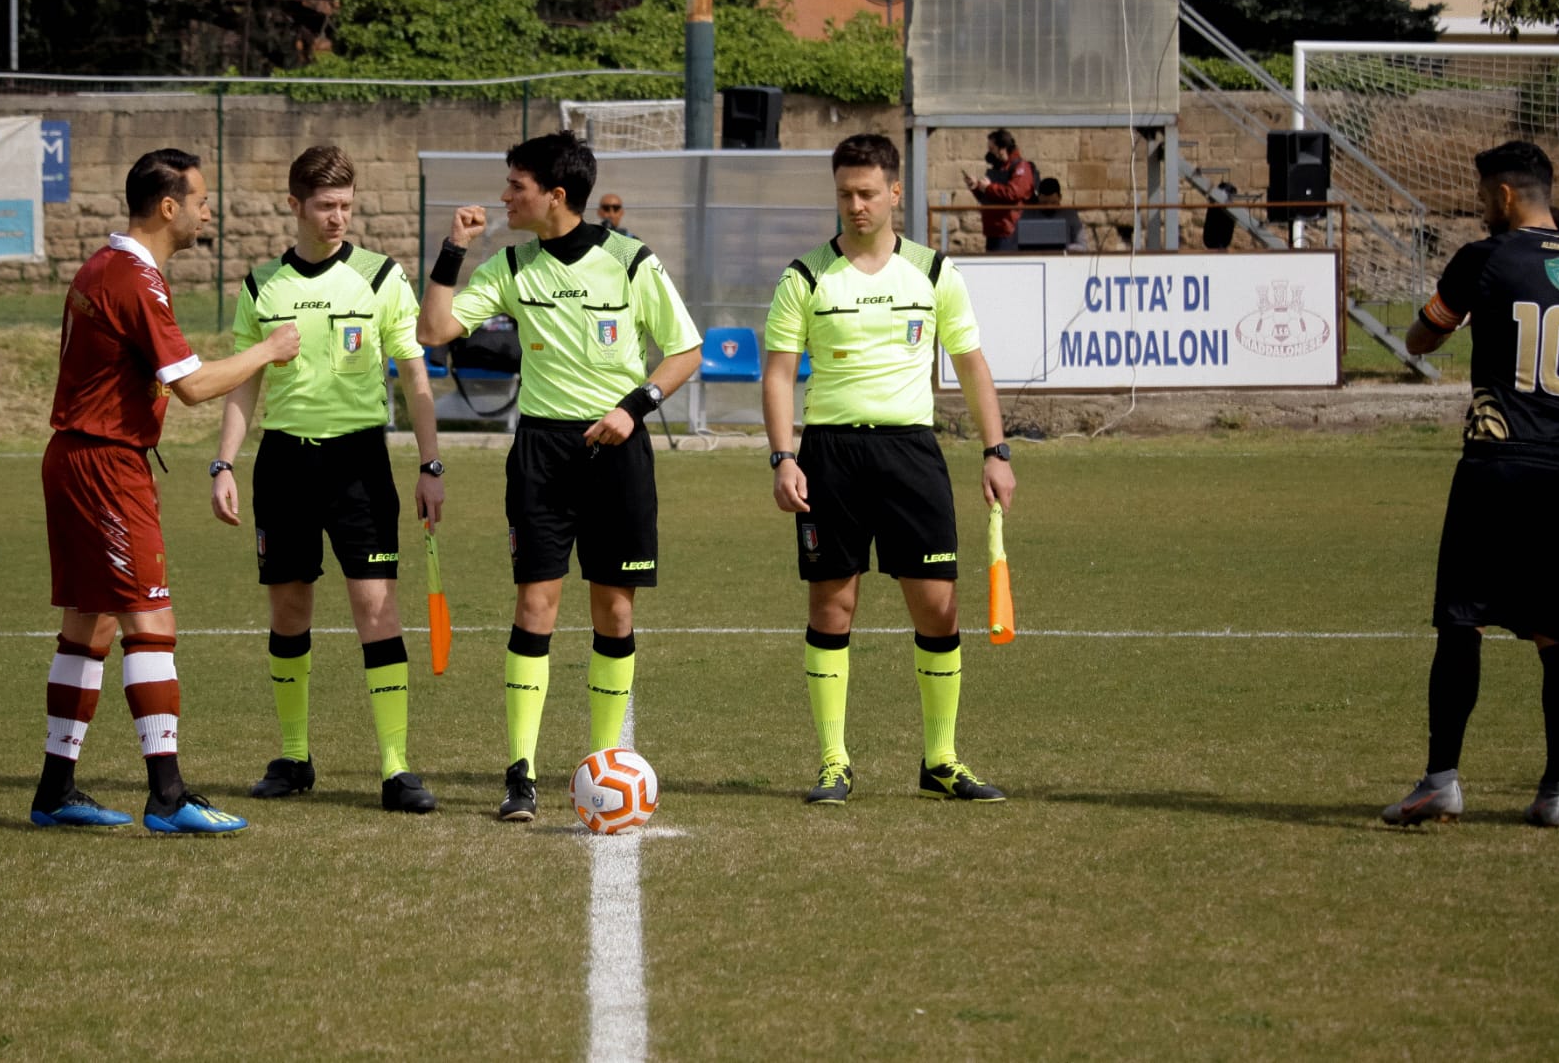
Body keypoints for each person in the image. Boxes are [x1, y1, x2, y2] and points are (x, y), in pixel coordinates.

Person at [417, 131, 702, 821]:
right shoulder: (512, 265)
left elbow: (685, 349)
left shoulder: (631, 260)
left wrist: (634, 408)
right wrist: (452, 249)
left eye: (516, 185)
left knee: (616, 609)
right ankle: (522, 772)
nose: (505, 196)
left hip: (619, 451)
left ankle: (607, 764)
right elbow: (435, 330)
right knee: (535, 607)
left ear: (556, 194)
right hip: (543, 452)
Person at [31, 147, 298, 835]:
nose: (211, 209)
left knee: (86, 625)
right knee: (151, 622)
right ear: (169, 206)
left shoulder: (105, 264)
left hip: (79, 457)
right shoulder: (133, 278)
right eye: (202, 197)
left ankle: (56, 789)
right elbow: (191, 387)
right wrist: (269, 349)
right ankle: (169, 794)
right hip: (104, 466)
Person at [761, 133, 1018, 807]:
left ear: (895, 192)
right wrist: (783, 455)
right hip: (830, 454)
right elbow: (780, 373)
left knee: (938, 604)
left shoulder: (934, 273)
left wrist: (996, 451)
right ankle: (833, 760)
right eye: (845, 192)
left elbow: (971, 366)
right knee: (832, 603)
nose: (855, 204)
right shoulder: (806, 276)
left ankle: (941, 758)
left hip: (911, 452)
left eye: (868, 192)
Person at [1383, 141, 1559, 830]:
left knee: (1463, 620)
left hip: (1496, 469)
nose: (1480, 204)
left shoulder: (1481, 259)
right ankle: (1557, 792)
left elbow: (1422, 338)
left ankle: (1441, 780)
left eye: (1484, 193)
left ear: (1508, 195)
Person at [212, 145, 444, 814]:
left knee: (377, 607)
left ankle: (396, 768)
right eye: (325, 206)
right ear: (295, 205)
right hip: (284, 462)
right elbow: (243, 381)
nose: (338, 217)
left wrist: (430, 465)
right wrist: (224, 462)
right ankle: (293, 755)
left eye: (346, 205)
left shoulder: (380, 277)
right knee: (289, 608)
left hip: (359, 464)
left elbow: (416, 376)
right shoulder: (262, 286)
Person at [962, 128, 1037, 252]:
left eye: (992, 149)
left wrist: (989, 187)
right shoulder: (998, 168)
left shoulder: (1020, 167)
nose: (990, 153)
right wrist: (976, 187)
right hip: (993, 231)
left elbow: (1014, 193)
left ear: (1002, 149)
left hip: (1009, 231)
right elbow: (989, 197)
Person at [1021, 177, 1090, 253]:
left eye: (1053, 203)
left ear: (1060, 197)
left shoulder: (1070, 214)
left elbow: (1083, 246)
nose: (1048, 206)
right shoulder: (1029, 214)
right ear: (1038, 198)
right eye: (1044, 203)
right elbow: (1018, 245)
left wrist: (1064, 248)